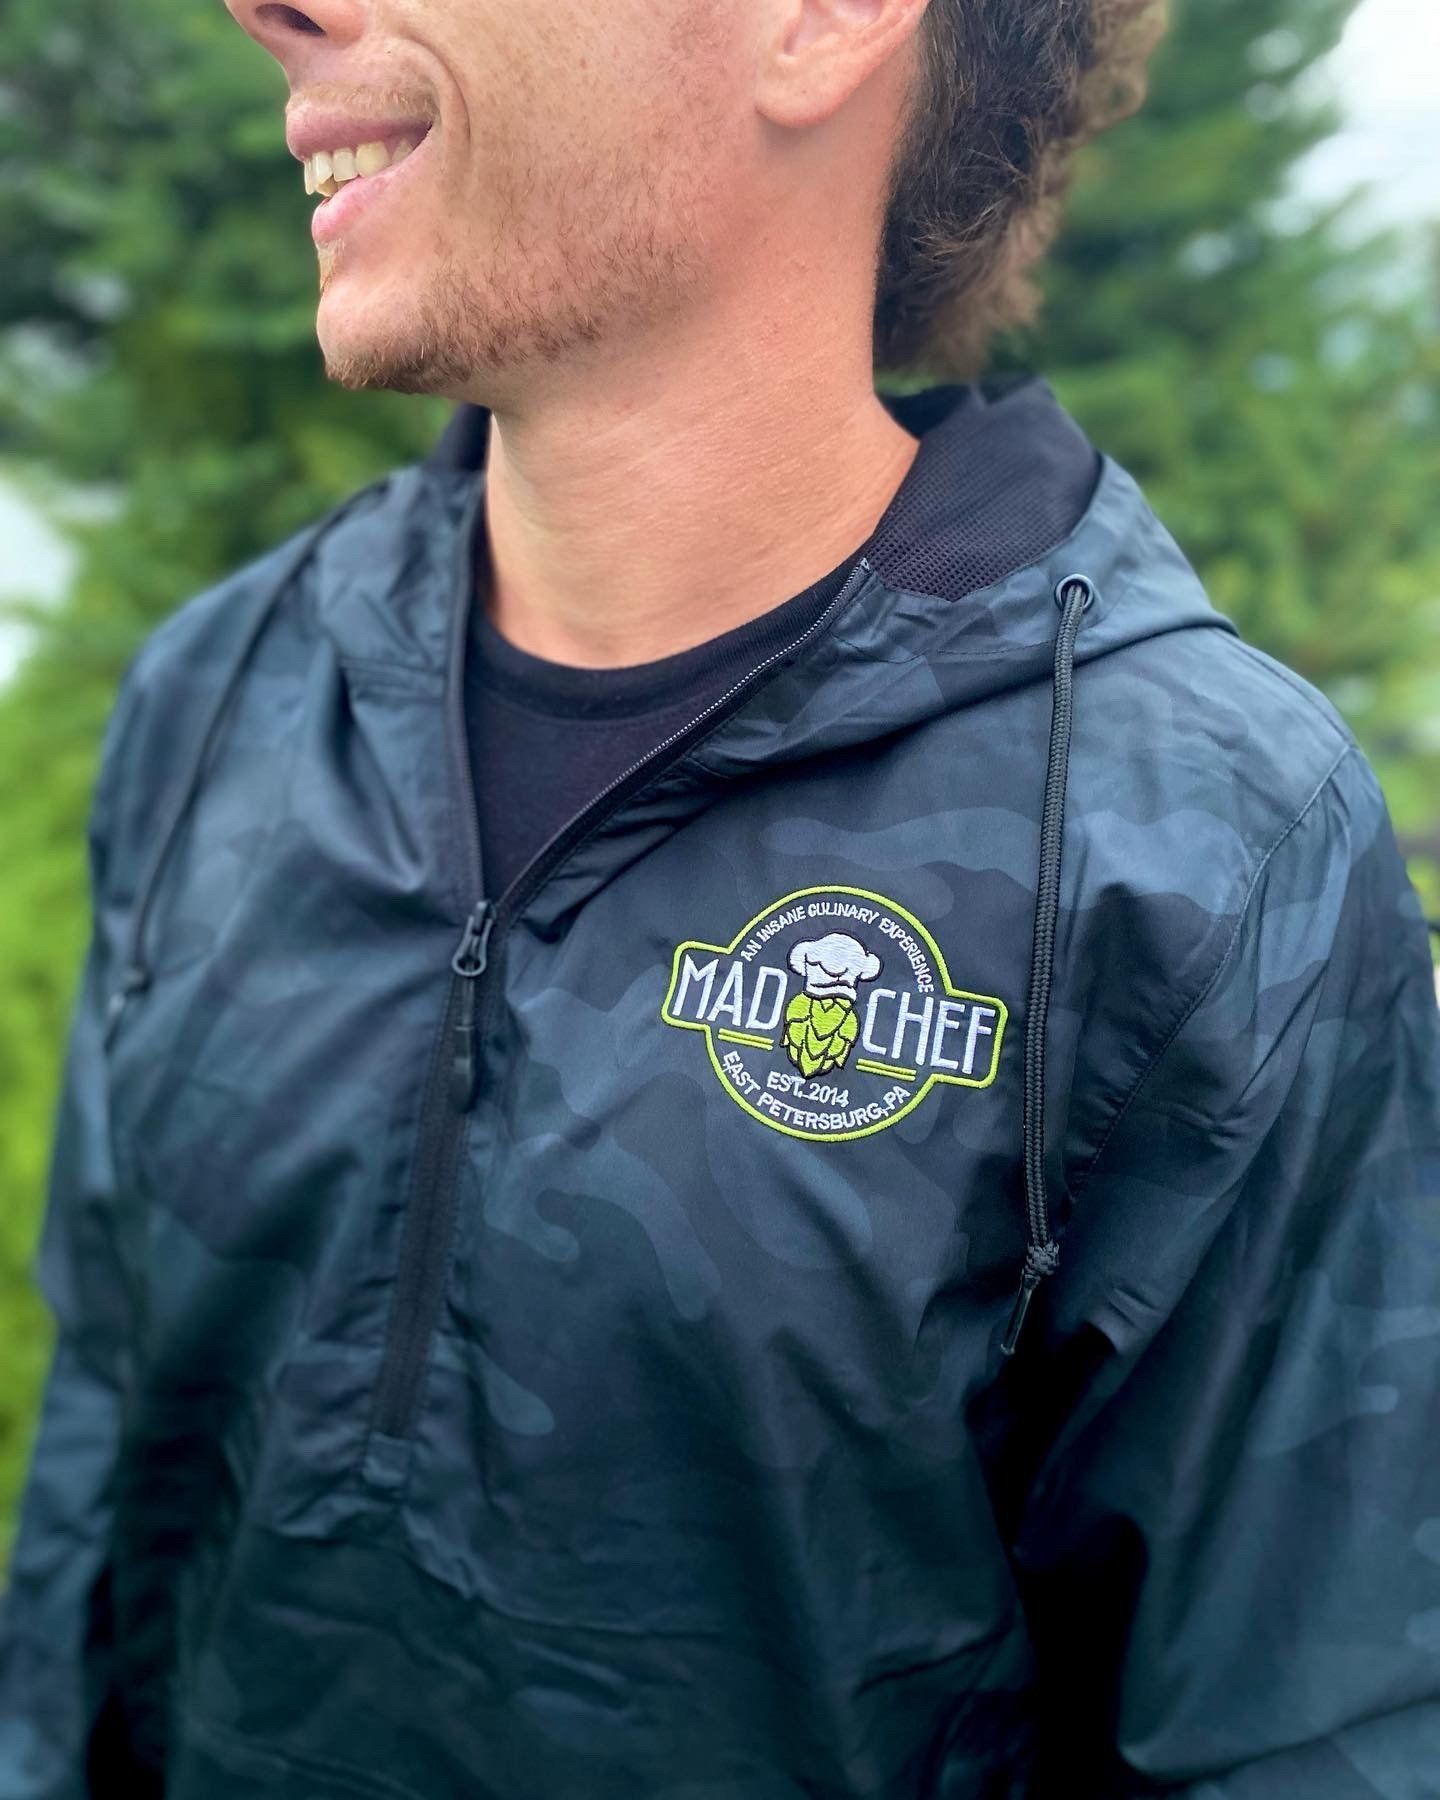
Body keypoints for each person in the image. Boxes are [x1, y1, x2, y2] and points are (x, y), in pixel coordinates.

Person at [2, 0, 1438, 1792]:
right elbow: (91, 1531)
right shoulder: (226, 696)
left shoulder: (1203, 855)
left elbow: (1299, 1733)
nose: (267, 7)